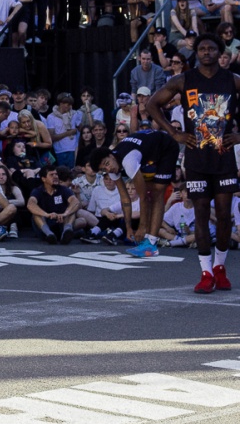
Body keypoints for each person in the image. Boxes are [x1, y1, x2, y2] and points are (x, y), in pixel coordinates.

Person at [145, 35, 240, 293]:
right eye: (202, 49)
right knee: (200, 213)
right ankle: (205, 272)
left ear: (220, 52)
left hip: (224, 158)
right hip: (196, 159)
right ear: (196, 52)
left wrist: (239, 135)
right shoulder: (183, 80)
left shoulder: (231, 79)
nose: (207, 52)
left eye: (211, 48)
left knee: (224, 215)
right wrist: (174, 133)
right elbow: (152, 105)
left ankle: (220, 267)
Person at [100, 128, 179, 258]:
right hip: (148, 152)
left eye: (107, 164)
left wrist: (142, 227)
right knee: (148, 191)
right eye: (104, 169)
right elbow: (125, 199)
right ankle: (147, 239)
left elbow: (143, 198)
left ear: (111, 156)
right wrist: (128, 227)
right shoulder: (111, 166)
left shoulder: (128, 161)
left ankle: (151, 243)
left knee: (156, 193)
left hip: (166, 147)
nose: (108, 169)